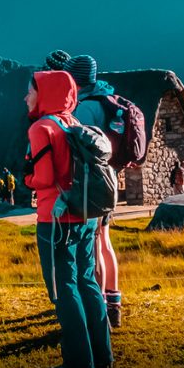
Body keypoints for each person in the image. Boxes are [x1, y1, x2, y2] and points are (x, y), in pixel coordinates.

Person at [24, 70, 113, 368]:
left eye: (31, 91)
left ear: (45, 94)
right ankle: (102, 357)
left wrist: (27, 180)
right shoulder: (72, 123)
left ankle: (78, 364)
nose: (27, 97)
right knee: (88, 283)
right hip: (84, 217)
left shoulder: (41, 128)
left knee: (65, 289)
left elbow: (45, 179)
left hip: (55, 220)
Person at [63, 54, 123, 328]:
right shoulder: (106, 97)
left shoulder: (85, 109)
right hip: (110, 180)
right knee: (106, 242)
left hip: (94, 183)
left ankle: (97, 307)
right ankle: (114, 303)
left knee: (94, 243)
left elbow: (82, 148)